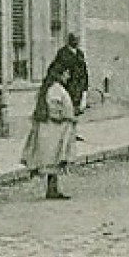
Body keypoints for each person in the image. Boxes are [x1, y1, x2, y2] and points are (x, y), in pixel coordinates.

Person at [22, 62, 78, 200]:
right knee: (54, 158)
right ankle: (52, 190)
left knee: (54, 160)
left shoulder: (52, 88)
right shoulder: (55, 89)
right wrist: (67, 116)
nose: (68, 76)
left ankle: (52, 189)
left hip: (51, 130)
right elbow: (53, 111)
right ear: (60, 74)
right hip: (53, 130)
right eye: (66, 73)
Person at [52, 33, 90, 137]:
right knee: (68, 110)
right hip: (68, 87)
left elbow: (84, 71)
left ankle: (74, 132)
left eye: (78, 39)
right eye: (74, 40)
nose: (76, 42)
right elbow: (57, 70)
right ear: (69, 40)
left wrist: (85, 88)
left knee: (77, 110)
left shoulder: (80, 54)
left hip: (78, 87)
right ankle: (67, 133)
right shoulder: (62, 53)